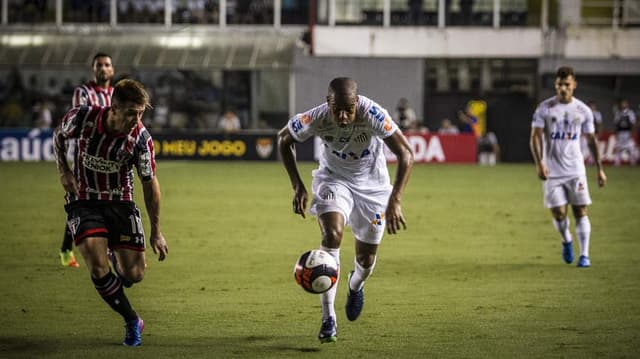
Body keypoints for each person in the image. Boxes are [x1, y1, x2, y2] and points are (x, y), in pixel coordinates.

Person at [277, 77, 413, 343]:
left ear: (357, 103)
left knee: (365, 262)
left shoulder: (373, 114)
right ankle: (329, 319)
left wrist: (395, 199)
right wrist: (298, 186)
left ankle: (356, 284)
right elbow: (283, 139)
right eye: (336, 109)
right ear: (327, 104)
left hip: (373, 188)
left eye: (348, 110)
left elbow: (406, 154)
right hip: (333, 179)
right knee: (332, 236)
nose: (342, 116)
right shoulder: (316, 117)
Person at [53, 79, 168, 346]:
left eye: (140, 113)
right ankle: (131, 320)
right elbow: (59, 135)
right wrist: (64, 170)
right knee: (96, 264)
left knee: (134, 275)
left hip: (121, 202)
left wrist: (157, 233)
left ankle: (117, 258)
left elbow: (150, 185)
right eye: (131, 113)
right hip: (84, 199)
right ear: (114, 108)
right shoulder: (84, 118)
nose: (136, 119)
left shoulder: (141, 138)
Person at [529, 66, 606, 268]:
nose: (563, 88)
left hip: (575, 170)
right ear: (556, 85)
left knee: (581, 211)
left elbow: (591, 140)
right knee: (559, 213)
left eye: (567, 84)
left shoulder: (583, 111)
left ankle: (585, 255)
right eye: (560, 84)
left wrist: (599, 168)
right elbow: (535, 138)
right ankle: (567, 240)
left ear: (574, 85)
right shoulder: (544, 108)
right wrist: (539, 163)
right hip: (552, 171)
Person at [59, 52, 115, 268]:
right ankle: (67, 249)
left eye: (107, 64)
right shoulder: (83, 92)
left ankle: (109, 249)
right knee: (80, 203)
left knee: (107, 201)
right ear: (93, 69)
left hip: (107, 159)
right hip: (82, 159)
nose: (103, 68)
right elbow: (82, 120)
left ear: (112, 70)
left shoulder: (115, 94)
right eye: (99, 65)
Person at [613, 98, 637, 166]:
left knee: (631, 147)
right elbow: (616, 124)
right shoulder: (618, 113)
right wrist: (616, 133)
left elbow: (633, 123)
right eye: (623, 103)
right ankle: (617, 162)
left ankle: (633, 162)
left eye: (625, 103)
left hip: (628, 132)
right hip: (620, 133)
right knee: (618, 148)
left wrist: (632, 133)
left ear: (627, 104)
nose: (624, 104)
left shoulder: (630, 113)